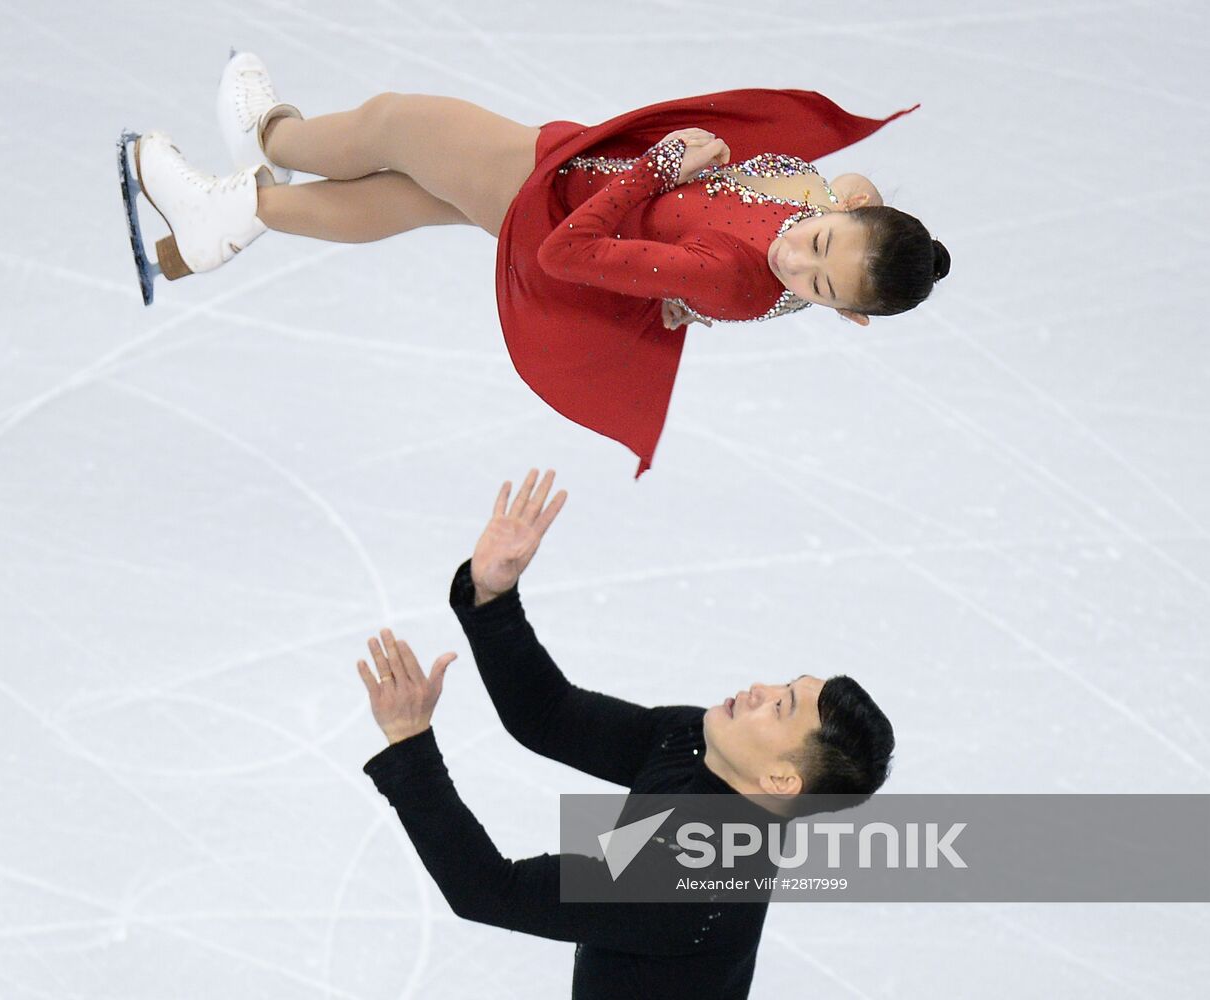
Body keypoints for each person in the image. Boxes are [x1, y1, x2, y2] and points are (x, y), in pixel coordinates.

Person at [125, 53, 950, 472]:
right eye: (823, 240)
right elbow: (843, 186)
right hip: (577, 179)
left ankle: (268, 139)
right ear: (849, 212)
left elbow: (571, 255)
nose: (796, 256)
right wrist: (842, 203)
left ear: (840, 312)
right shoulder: (823, 203)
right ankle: (226, 225)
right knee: (414, 197)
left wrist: (661, 167)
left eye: (818, 283)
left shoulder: (733, 281)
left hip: (554, 205)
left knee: (395, 127)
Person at [352, 470, 896, 999]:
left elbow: (489, 890)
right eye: (782, 684)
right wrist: (493, 598)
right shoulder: (694, 739)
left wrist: (411, 742)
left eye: (780, 707)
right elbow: (548, 714)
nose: (758, 689)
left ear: (781, 778)